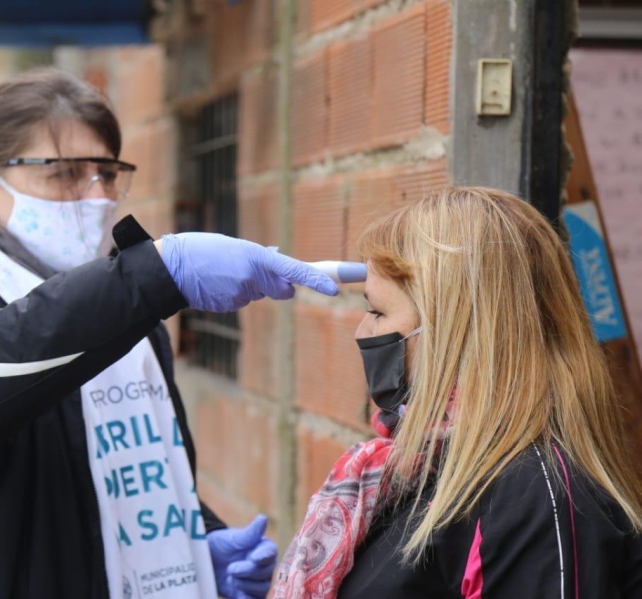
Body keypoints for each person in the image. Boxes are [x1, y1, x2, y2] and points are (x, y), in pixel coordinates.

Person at [0, 67, 346, 599]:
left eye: (107, 173)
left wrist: (197, 540)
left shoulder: (124, 307)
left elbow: (105, 470)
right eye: (64, 174)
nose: (96, 195)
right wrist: (150, 276)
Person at [274, 187, 642, 598]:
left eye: (377, 311)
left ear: (454, 331)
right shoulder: (419, 469)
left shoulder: (536, 496)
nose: (362, 332)